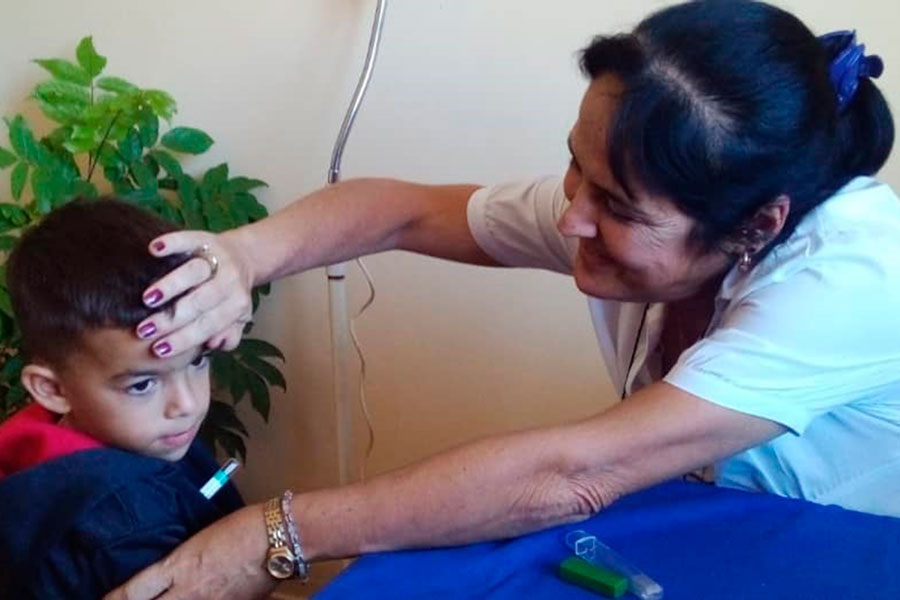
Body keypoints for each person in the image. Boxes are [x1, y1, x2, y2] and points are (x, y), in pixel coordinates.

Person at [108, 1, 896, 598]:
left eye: (617, 207)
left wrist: (269, 534)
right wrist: (242, 255)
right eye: (573, 167)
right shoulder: (632, 204)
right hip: (691, 523)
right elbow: (404, 210)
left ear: (758, 226)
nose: (570, 216)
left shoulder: (851, 282)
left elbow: (571, 475)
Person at [0, 199, 243, 598]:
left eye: (198, 361)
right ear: (53, 390)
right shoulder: (127, 520)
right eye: (142, 384)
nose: (186, 403)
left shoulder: (55, 435)